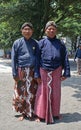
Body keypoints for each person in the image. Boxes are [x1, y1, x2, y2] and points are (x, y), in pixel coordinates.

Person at [34, 21, 70, 124]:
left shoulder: (60, 44)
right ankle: (40, 115)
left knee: (56, 93)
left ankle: (55, 113)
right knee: (42, 92)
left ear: (56, 31)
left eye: (53, 29)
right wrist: (37, 74)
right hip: (43, 70)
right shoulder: (41, 43)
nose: (51, 30)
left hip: (57, 70)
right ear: (45, 30)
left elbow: (65, 58)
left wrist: (66, 72)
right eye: (49, 28)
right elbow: (37, 59)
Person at [11, 22, 40, 121]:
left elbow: (37, 59)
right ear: (21, 31)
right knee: (21, 92)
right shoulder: (17, 43)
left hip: (32, 71)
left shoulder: (36, 43)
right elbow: (13, 59)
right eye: (25, 29)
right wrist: (14, 73)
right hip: (21, 70)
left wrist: (36, 73)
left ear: (32, 31)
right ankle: (23, 113)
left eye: (29, 29)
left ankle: (33, 112)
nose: (27, 31)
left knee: (33, 91)